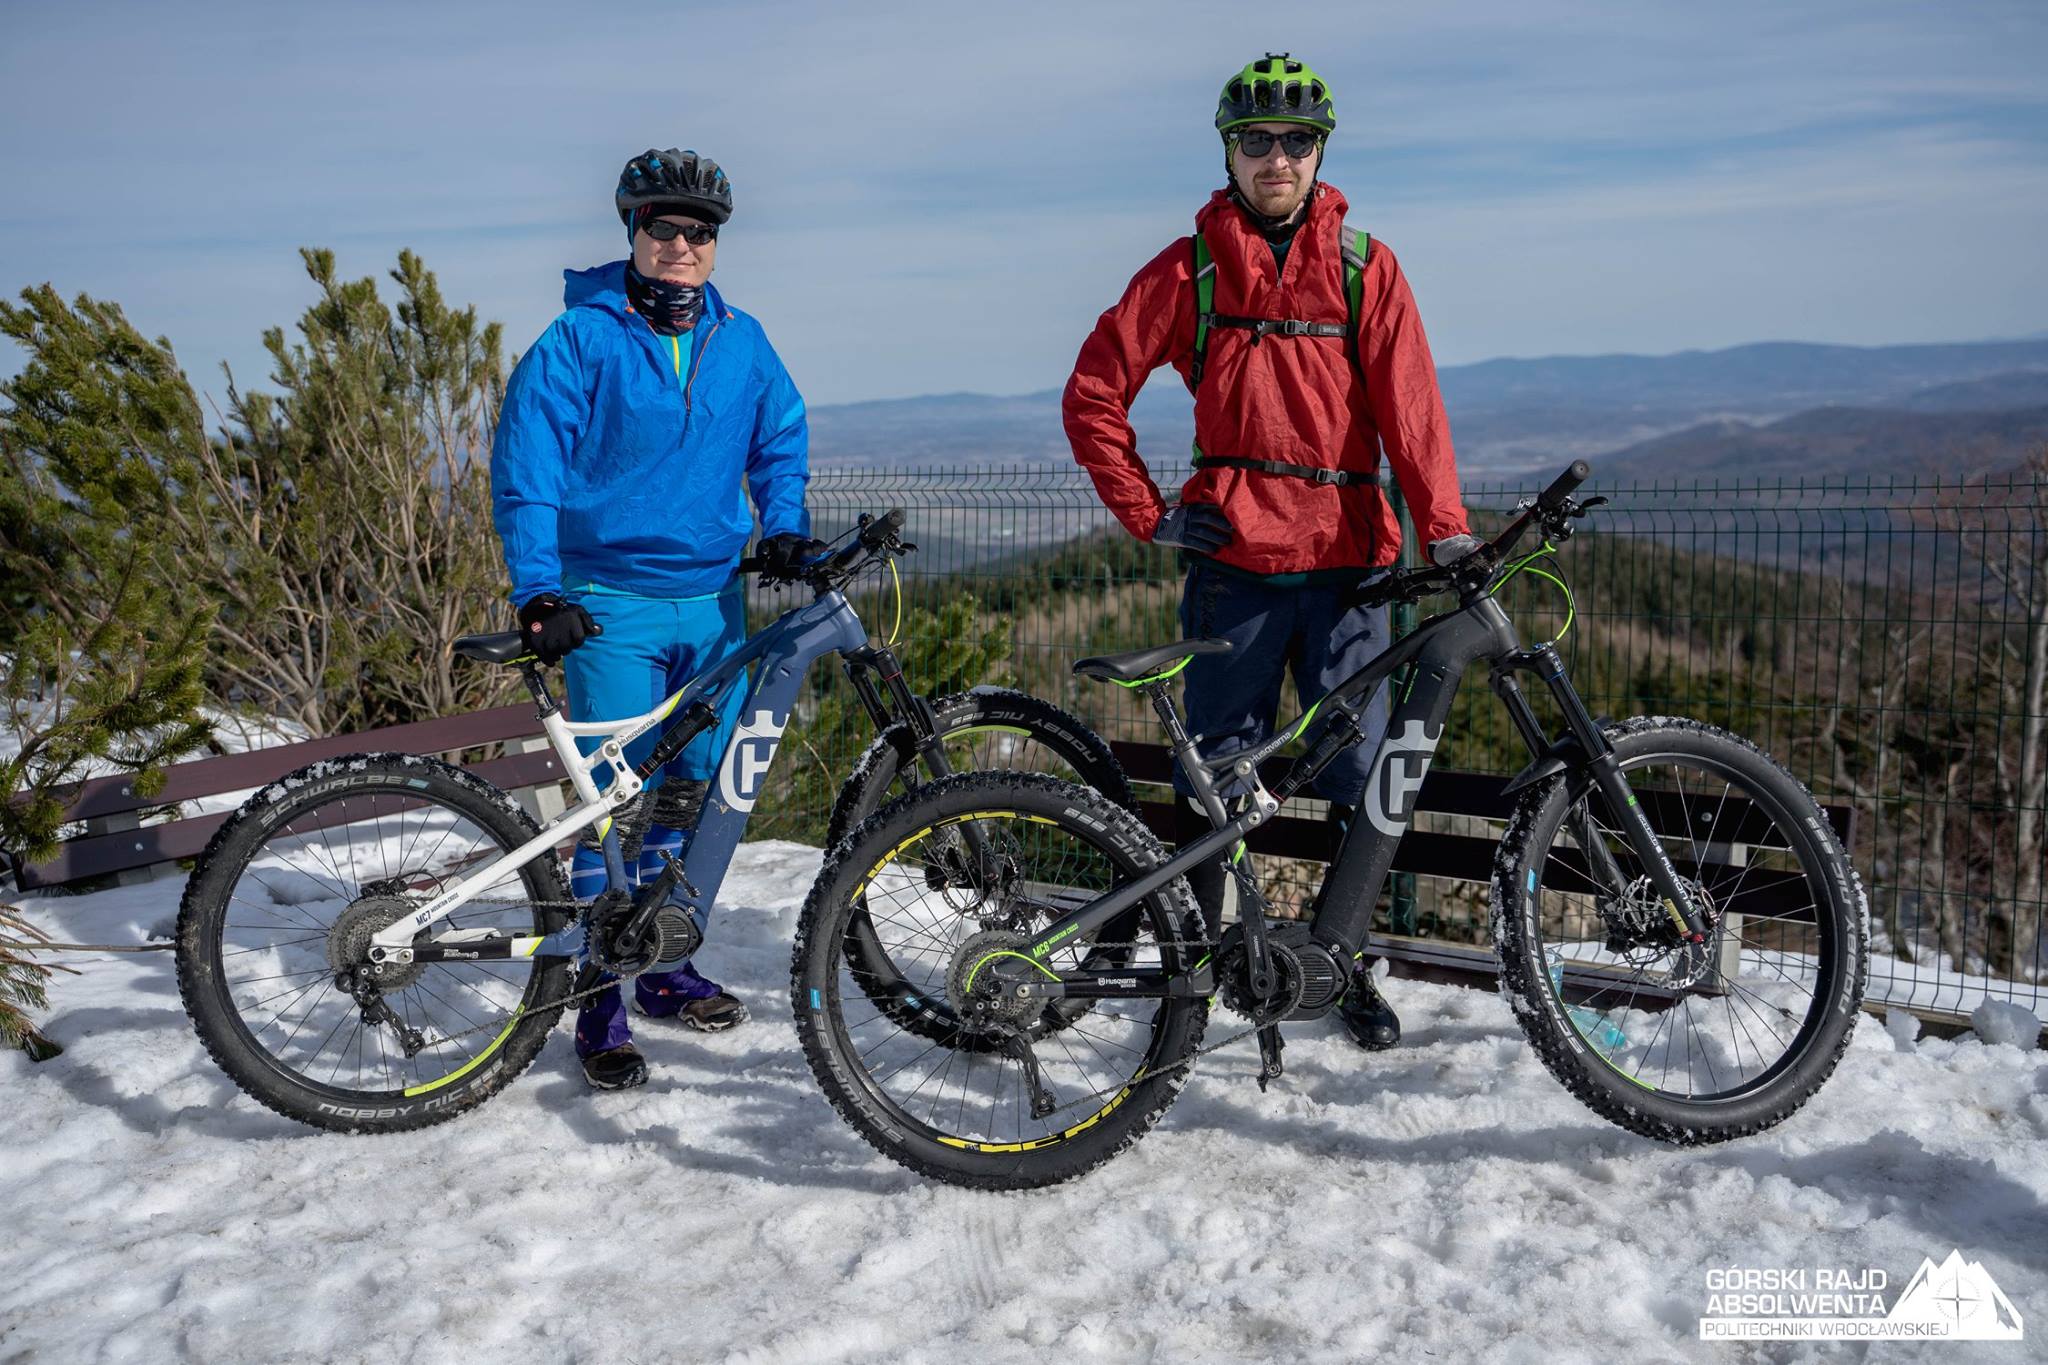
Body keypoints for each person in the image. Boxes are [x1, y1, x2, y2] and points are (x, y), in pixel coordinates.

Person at [1062, 54, 1481, 1051]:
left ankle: (1349, 968)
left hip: (1348, 572)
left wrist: (1449, 529)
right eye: (1256, 141)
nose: (1276, 158)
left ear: (1319, 152)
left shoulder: (1363, 265)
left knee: (1359, 780)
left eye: (1294, 142)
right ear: (1229, 152)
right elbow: (1092, 393)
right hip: (1234, 571)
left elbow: (1410, 413)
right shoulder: (1188, 268)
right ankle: (1198, 969)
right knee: (1214, 778)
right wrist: (1147, 512)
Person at [491, 148, 820, 1090]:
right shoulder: (579, 339)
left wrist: (785, 528)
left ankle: (663, 963)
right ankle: (597, 994)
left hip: (712, 601)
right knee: (612, 803)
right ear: (632, 234)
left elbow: (780, 441)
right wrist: (538, 591)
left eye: (699, 232)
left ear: (716, 245)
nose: (681, 245)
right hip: (608, 606)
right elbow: (528, 472)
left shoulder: (743, 340)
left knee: (691, 787)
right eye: (664, 229)